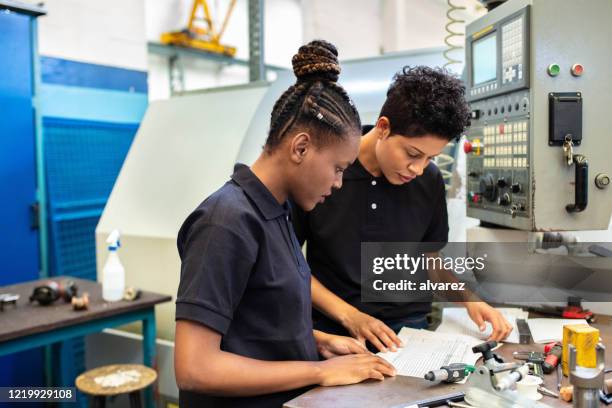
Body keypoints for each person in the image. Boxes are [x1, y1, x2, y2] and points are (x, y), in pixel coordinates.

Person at [174, 40, 396, 408]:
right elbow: (195, 367)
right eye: (338, 168)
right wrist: (320, 372)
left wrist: (316, 341)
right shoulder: (226, 222)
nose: (339, 183)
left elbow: (252, 325)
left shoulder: (276, 213)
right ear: (300, 148)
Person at [293, 66, 514, 353]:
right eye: (412, 154)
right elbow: (289, 264)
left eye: (430, 158)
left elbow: (428, 260)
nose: (418, 169)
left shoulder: (429, 180)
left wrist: (470, 299)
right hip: (338, 331)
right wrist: (351, 317)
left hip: (408, 332)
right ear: (383, 127)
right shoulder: (327, 170)